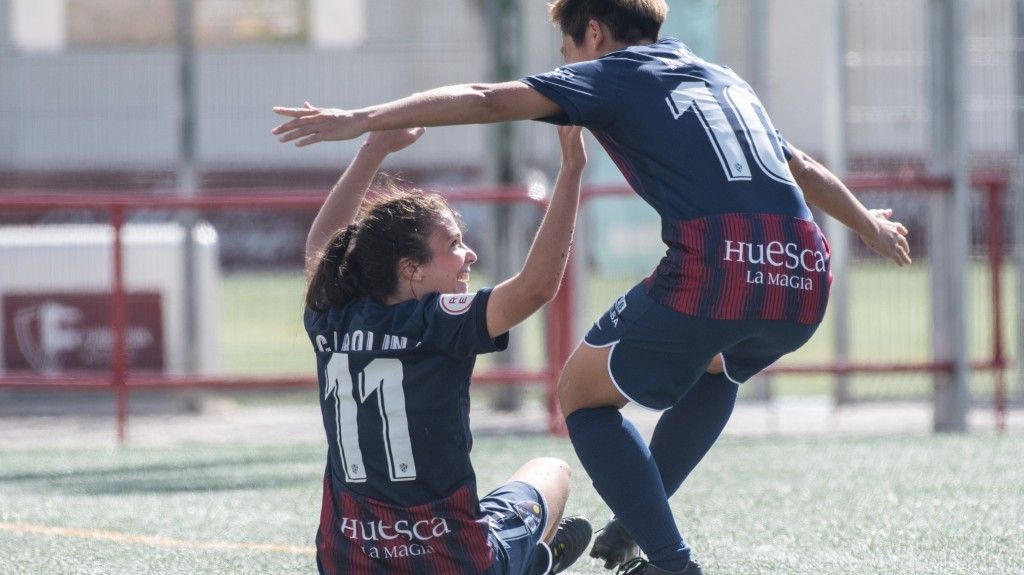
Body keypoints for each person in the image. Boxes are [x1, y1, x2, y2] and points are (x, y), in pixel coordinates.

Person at [275, 2, 912, 573]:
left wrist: (361, 122)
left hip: (719, 265)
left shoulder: (611, 74)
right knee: (719, 366)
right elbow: (797, 166)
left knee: (581, 394)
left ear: (595, 32)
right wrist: (869, 226)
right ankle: (634, 524)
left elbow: (487, 99)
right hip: (803, 270)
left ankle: (671, 562)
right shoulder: (724, 80)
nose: (567, 68)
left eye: (567, 52)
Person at [301, 125, 593, 575]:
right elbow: (536, 288)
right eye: (454, 244)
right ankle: (532, 563)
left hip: (349, 561)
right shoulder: (435, 322)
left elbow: (321, 250)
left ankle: (531, 560)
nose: (469, 255)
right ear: (411, 269)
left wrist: (373, 150)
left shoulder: (331, 317)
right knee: (552, 468)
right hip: (453, 563)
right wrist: (572, 171)